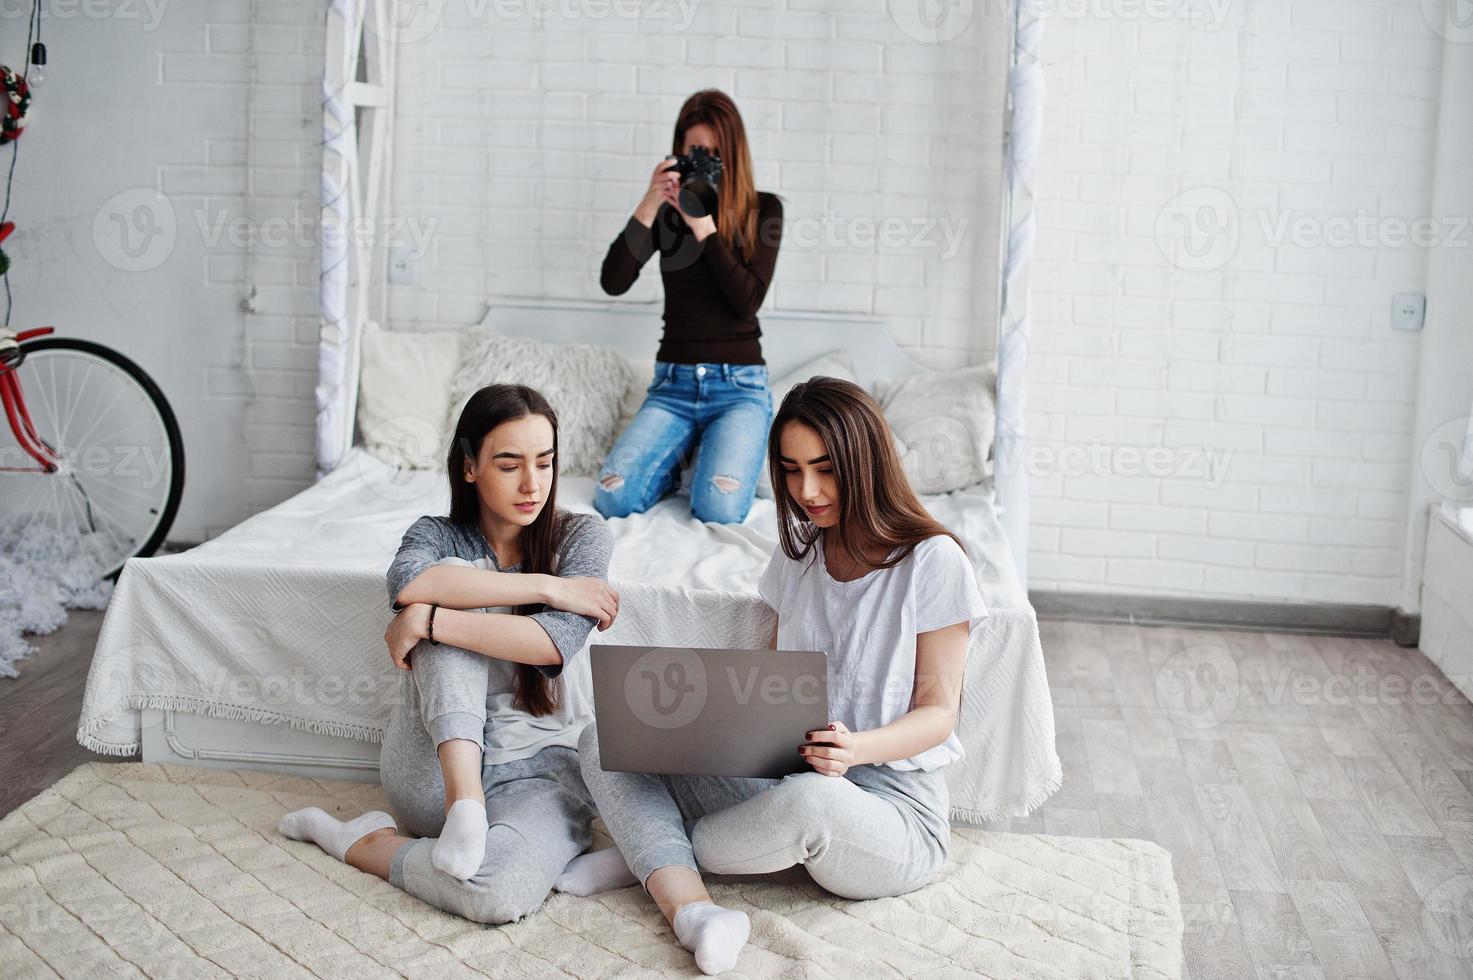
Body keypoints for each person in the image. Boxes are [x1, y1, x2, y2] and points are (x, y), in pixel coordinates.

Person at [559, 376, 988, 974]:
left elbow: (940, 712)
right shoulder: (799, 553)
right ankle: (669, 866)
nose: (806, 490)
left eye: (825, 468)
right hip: (790, 776)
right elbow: (776, 687)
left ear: (866, 462)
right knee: (601, 737)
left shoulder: (933, 561)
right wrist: (707, 722)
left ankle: (655, 854)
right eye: (790, 470)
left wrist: (856, 749)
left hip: (892, 812)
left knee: (814, 802)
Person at [277, 384, 621, 926]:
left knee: (499, 893)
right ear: (469, 467)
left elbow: (551, 644)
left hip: (538, 770)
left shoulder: (582, 536)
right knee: (443, 620)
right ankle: (467, 805)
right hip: (433, 773)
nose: (533, 484)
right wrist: (549, 588)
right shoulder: (437, 537)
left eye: (546, 463)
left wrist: (430, 617)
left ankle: (356, 841)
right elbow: (410, 581)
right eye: (509, 465)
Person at [596, 88, 784, 525]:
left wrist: (705, 227)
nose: (704, 161)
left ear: (733, 154)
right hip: (673, 387)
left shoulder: (764, 210)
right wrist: (650, 201)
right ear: (679, 151)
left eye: (714, 153)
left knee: (716, 509)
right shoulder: (665, 214)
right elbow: (614, 281)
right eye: (695, 151)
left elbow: (747, 301)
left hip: (738, 389)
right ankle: (676, 463)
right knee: (614, 498)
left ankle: (701, 457)